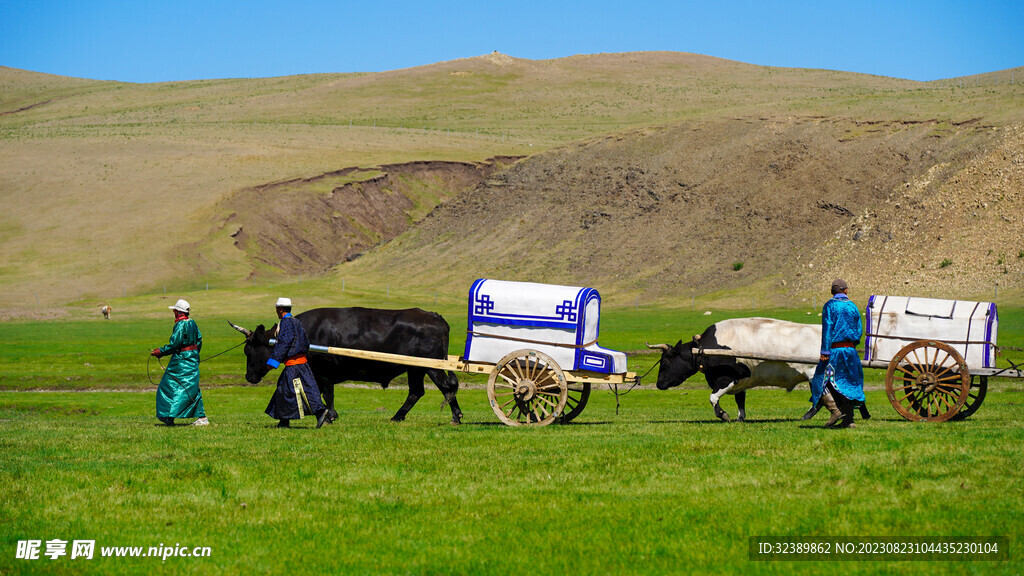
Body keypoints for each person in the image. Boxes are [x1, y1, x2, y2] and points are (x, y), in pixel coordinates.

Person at [807, 279, 865, 428]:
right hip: (851, 352)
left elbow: (827, 328)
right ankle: (849, 420)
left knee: (819, 380)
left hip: (835, 351)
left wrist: (825, 350)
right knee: (848, 383)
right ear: (845, 290)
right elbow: (859, 330)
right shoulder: (853, 306)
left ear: (832, 291)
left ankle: (835, 410)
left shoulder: (830, 306)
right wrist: (852, 345)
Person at [264, 297, 331, 428]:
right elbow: (305, 342)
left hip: (293, 366)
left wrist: (272, 362)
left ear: (281, 309)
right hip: (302, 364)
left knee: (291, 391)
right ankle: (284, 421)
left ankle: (320, 412)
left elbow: (284, 344)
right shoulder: (296, 322)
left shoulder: (286, 323)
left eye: (277, 308)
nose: (276, 311)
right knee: (290, 390)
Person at [151, 299, 208, 426]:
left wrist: (160, 351)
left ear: (177, 312)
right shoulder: (192, 323)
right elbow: (199, 340)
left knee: (167, 386)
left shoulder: (180, 325)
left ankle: (168, 416)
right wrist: (194, 355)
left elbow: (175, 344)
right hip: (192, 357)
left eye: (174, 311)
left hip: (181, 360)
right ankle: (202, 418)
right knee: (192, 388)